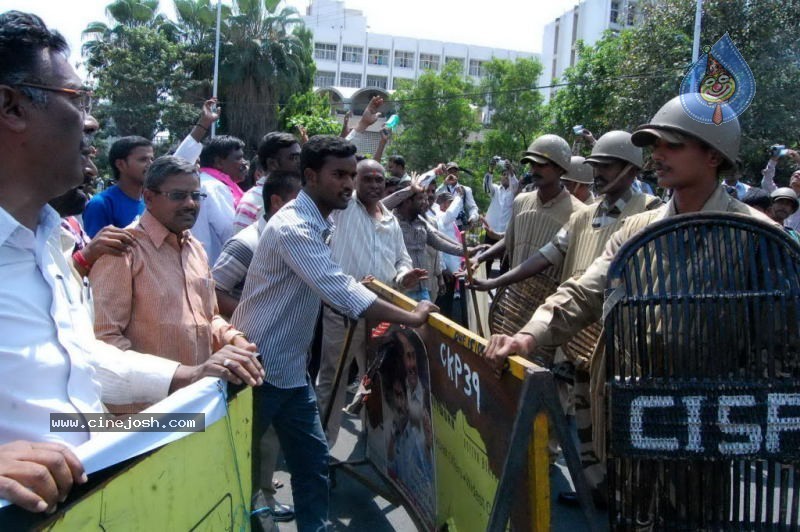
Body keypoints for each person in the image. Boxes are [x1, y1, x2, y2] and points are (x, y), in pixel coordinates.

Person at [0, 11, 262, 514]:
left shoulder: (51, 242)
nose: (92, 122)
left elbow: (84, 362)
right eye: (77, 100)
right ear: (11, 106)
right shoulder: (117, 247)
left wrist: (192, 377)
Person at [483, 97, 776, 511]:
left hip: (707, 426)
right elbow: (584, 291)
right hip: (629, 415)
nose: (657, 155)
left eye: (672, 145)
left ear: (714, 155)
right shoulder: (635, 230)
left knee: (697, 515)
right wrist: (528, 337)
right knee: (632, 513)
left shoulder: (758, 236)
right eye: (654, 145)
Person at [231, 135, 438, 531]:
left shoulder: (318, 221)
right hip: (256, 367)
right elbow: (342, 291)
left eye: (351, 174)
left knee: (312, 465)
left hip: (290, 371)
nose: (348, 183)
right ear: (310, 176)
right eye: (339, 175)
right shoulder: (295, 227)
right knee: (241, 467)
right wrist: (413, 316)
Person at [90, 155, 258, 380]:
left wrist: (235, 340)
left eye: (196, 195)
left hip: (197, 399)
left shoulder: (194, 248)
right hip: (149, 409)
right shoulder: (123, 250)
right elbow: (106, 341)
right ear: (148, 197)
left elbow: (208, 317)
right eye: (178, 196)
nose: (190, 204)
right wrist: (174, 378)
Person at [316, 157, 427, 447]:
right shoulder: (344, 208)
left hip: (381, 314)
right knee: (334, 380)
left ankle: (374, 441)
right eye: (368, 179)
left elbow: (401, 259)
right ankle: (322, 449)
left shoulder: (390, 219)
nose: (375, 185)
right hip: (344, 312)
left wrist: (404, 276)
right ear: (354, 180)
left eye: (380, 179)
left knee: (377, 375)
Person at [472, 135, 586, 281]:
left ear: (560, 168)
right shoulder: (521, 201)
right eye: (532, 164)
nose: (534, 170)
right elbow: (509, 240)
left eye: (541, 165)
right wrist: (479, 259)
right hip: (513, 297)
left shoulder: (579, 212)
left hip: (553, 301)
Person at [213, 170, 302, 317]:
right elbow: (214, 293)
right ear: (277, 202)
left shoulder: (299, 240)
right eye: (301, 203)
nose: (308, 210)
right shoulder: (246, 244)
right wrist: (257, 318)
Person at [83, 135, 153, 237]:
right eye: (143, 160)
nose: (150, 164)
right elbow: (94, 250)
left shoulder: (151, 201)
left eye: (152, 159)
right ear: (120, 164)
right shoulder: (101, 205)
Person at [192, 135, 247, 264]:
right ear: (219, 163)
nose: (244, 162)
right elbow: (231, 231)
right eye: (238, 158)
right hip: (213, 266)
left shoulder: (202, 181)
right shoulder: (215, 187)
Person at [233, 131, 301, 232]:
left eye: (300, 157)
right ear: (272, 164)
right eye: (293, 158)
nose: (300, 162)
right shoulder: (259, 201)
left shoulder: (285, 194)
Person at [482, 157, 519, 274]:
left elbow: (516, 184)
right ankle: (484, 289)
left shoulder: (515, 192)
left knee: (505, 264)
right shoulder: (496, 190)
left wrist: (511, 171)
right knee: (486, 261)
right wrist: (491, 169)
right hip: (490, 231)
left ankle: (501, 291)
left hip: (504, 234)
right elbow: (487, 186)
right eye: (503, 174)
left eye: (507, 174)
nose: (505, 176)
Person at [760, 147, 800, 231]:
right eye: (794, 175)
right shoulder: (779, 194)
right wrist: (773, 159)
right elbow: (766, 182)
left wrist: (798, 160)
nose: (797, 176)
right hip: (775, 234)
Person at [435, 162, 479, 230]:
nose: (453, 174)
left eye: (455, 171)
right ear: (446, 174)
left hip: (460, 227)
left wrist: (473, 217)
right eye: (450, 171)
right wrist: (444, 184)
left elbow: (473, 208)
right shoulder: (442, 189)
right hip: (444, 225)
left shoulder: (466, 190)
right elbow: (433, 197)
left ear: (458, 174)